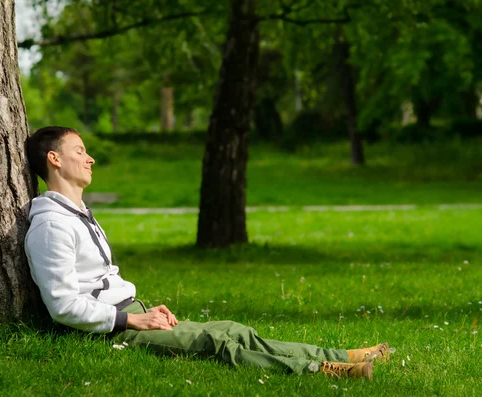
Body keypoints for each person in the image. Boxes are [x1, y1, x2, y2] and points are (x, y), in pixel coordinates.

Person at [24, 126, 389, 380]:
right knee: (213, 341)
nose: (90, 159)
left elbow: (103, 280)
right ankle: (322, 371)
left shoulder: (76, 214)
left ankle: (343, 356)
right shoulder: (50, 225)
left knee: (234, 329)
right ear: (54, 159)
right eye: (80, 151)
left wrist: (145, 310)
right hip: (110, 330)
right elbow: (63, 306)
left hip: (130, 315)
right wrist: (132, 321)